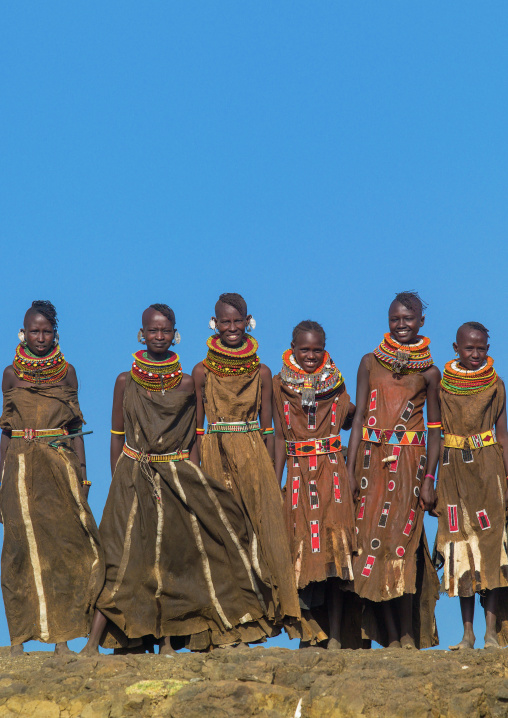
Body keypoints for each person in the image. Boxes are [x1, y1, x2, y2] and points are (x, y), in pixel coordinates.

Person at [82, 304, 273, 655]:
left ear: (175, 334)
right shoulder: (125, 381)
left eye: (165, 330)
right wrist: (118, 481)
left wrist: (194, 479)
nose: (158, 336)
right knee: (119, 558)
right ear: (142, 333)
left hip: (173, 475)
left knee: (170, 558)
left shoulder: (187, 383)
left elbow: (191, 439)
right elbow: (116, 436)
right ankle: (95, 644)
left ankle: (169, 643)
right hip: (131, 476)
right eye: (152, 330)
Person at [193, 293, 310, 641]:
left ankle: (264, 620)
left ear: (249, 321)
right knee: (224, 537)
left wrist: (275, 477)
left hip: (255, 455)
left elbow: (271, 430)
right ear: (214, 324)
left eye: (237, 321)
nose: (231, 328)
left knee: (264, 535)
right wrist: (198, 473)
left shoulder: (262, 372)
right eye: (224, 322)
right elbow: (198, 430)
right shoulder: (202, 371)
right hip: (215, 455)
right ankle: (227, 625)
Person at [0, 300, 104, 656]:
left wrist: (83, 477)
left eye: (46, 331)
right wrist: (1, 477)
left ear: (55, 334)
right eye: (34, 331)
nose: (40, 337)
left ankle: (61, 640)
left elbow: (75, 427)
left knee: (64, 550)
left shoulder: (68, 373)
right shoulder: (10, 374)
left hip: (60, 469)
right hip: (19, 469)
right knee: (17, 550)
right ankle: (17, 640)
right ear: (23, 333)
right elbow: (5, 431)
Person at [346, 291, 440, 649]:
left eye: (408, 319)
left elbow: (435, 432)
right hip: (371, 463)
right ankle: (386, 635)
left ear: (421, 322)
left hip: (409, 467)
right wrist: (350, 471)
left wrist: (429, 479)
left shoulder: (431, 372)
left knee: (402, 546)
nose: (402, 325)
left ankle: (406, 635)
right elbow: (356, 425)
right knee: (370, 547)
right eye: (395, 320)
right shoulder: (369, 362)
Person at [272, 320, 360, 650]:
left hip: (332, 472)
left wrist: (350, 471)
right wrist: (274, 480)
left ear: (325, 348)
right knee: (300, 554)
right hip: (296, 474)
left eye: (317, 349)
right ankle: (310, 636)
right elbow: (280, 437)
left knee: (336, 555)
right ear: (292, 347)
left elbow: (353, 419)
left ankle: (336, 635)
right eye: (304, 349)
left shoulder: (336, 383)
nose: (311, 355)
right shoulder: (279, 384)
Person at [434, 322, 508, 649]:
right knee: (459, 547)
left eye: (482, 348)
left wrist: (507, 478)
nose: (476, 354)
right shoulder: (442, 387)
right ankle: (467, 634)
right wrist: (428, 479)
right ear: (456, 348)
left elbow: (503, 435)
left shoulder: (496, 385)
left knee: (492, 546)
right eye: (469, 348)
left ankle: (491, 633)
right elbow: (434, 435)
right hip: (452, 472)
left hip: (488, 468)